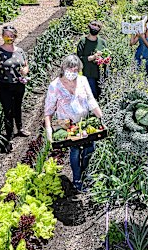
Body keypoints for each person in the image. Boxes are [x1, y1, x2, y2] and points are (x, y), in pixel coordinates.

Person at [44, 55, 103, 193]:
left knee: (89, 149)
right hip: (67, 126)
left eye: (76, 69)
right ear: (64, 68)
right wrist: (49, 129)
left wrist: (101, 116)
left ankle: (86, 174)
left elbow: (90, 100)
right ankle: (77, 179)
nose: (73, 71)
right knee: (75, 151)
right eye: (70, 68)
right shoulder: (55, 86)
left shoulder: (82, 80)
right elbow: (48, 110)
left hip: (84, 122)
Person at [0, 26, 29, 149]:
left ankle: (20, 128)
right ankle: (9, 136)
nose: (9, 37)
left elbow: (26, 65)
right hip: (4, 85)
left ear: (15, 36)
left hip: (19, 83)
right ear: (2, 36)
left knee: (17, 106)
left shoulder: (20, 51)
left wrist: (25, 71)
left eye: (11, 35)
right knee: (8, 110)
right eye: (6, 35)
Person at [76, 21, 107, 99]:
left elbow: (107, 56)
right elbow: (79, 58)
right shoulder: (83, 41)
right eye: (93, 25)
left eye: (98, 26)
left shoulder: (102, 42)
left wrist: (103, 59)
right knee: (92, 95)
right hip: (89, 73)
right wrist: (92, 57)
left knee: (102, 94)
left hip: (101, 73)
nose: (95, 28)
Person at [130, 15, 148, 80]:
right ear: (146, 23)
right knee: (137, 77)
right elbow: (132, 43)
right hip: (139, 56)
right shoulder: (142, 31)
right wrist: (132, 32)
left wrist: (143, 38)